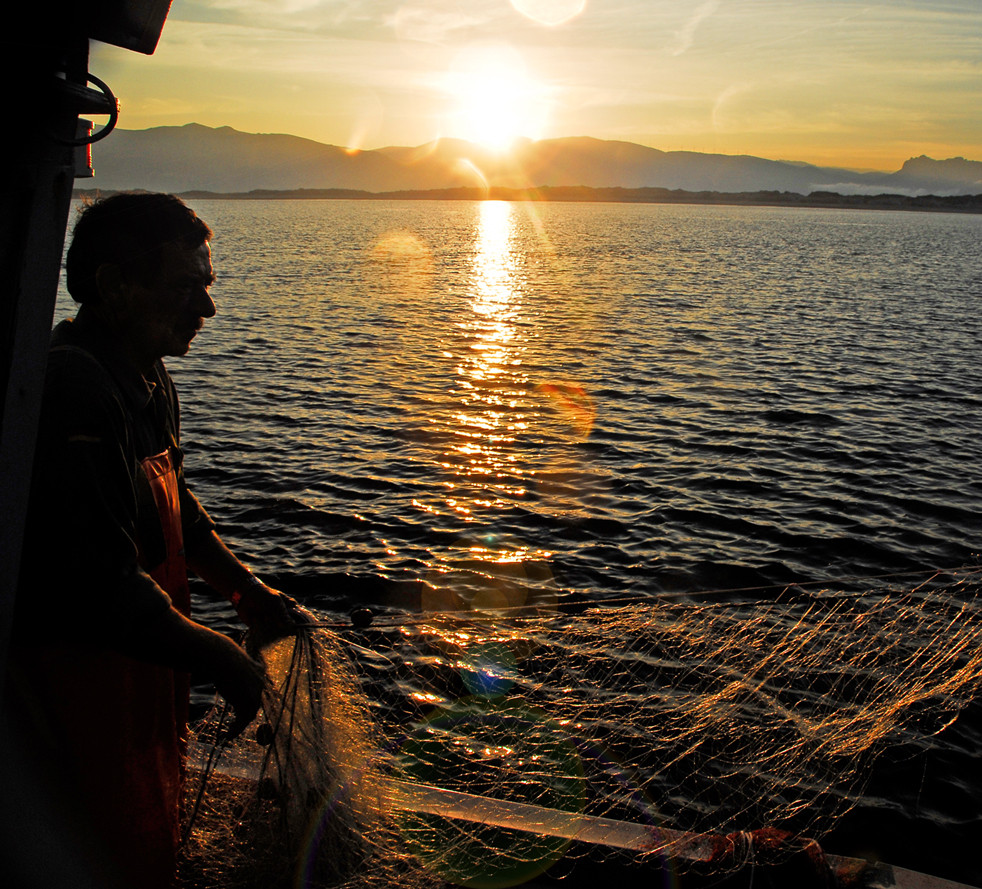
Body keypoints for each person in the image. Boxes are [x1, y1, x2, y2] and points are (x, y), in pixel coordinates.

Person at [1, 193, 299, 888]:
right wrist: (219, 652)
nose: (207, 310)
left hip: (140, 687)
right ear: (112, 286)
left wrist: (245, 590)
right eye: (185, 288)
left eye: (208, 286)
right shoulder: (73, 388)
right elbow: (100, 581)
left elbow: (177, 513)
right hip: (71, 693)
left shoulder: (148, 378)